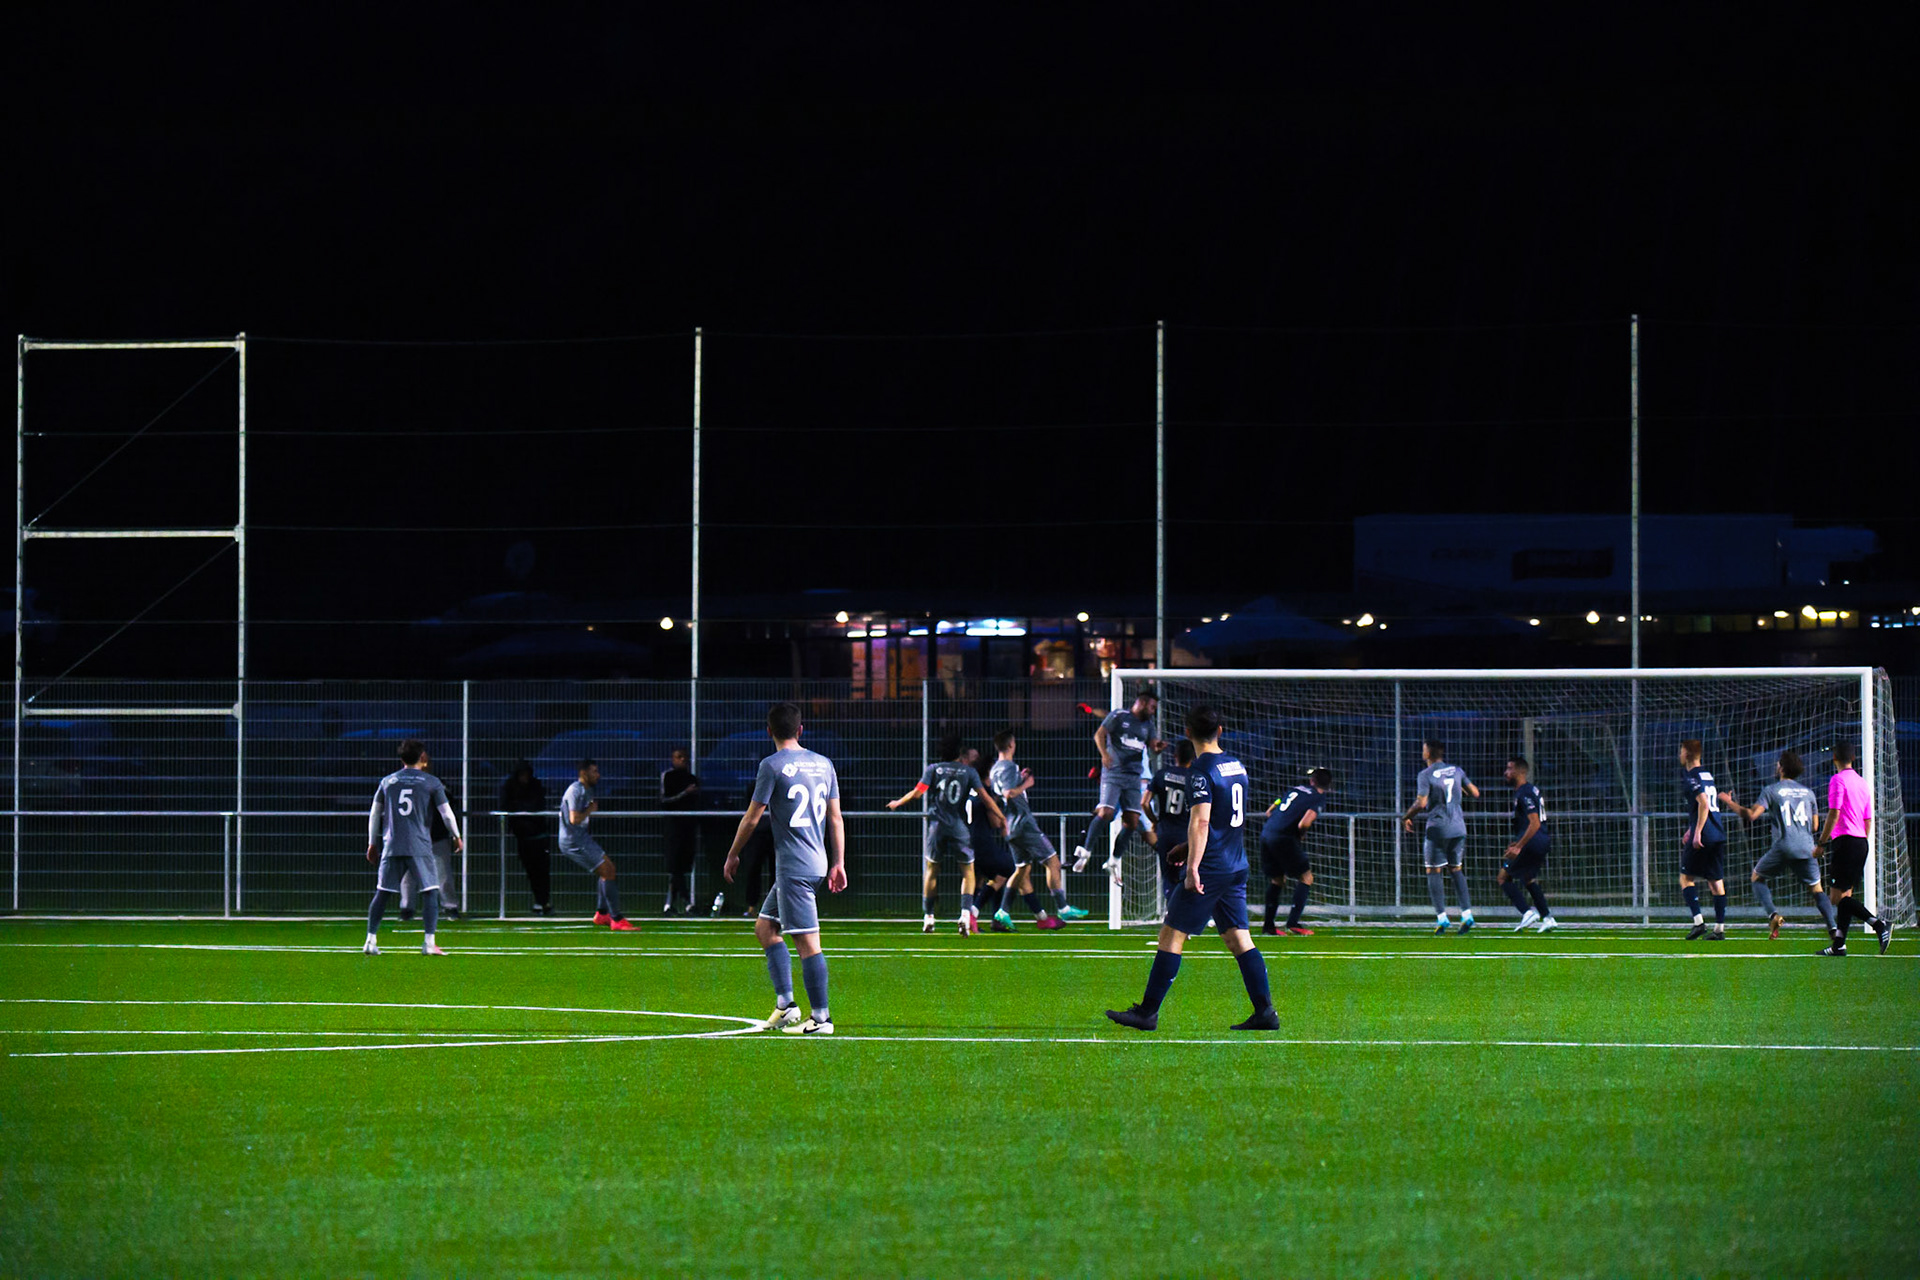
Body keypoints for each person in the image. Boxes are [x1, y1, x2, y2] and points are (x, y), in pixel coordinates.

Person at [1105, 705, 1277, 1032]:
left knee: (1171, 934)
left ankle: (1147, 1013)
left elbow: (1201, 821)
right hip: (1235, 863)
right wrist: (1186, 848)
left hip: (1210, 867)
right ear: (1220, 731)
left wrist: (1193, 867)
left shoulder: (1201, 769)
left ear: (1187, 732)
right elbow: (1226, 820)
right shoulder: (1235, 765)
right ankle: (1265, 1012)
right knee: (1239, 938)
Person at [723, 701, 847, 1035]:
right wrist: (839, 862)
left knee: (808, 944)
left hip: (795, 868)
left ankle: (821, 1019)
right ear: (800, 729)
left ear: (769, 732)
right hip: (815, 862)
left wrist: (734, 853)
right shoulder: (823, 764)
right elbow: (835, 817)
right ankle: (786, 1007)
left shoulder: (771, 765)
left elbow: (752, 817)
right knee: (765, 929)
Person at [1722, 750, 1842, 949]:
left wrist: (1728, 801)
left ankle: (1773, 915)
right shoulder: (1808, 793)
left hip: (1784, 845)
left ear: (1782, 768)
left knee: (1757, 878)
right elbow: (1814, 826)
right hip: (1806, 847)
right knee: (1817, 890)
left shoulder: (1772, 790)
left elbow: (1751, 815)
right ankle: (1832, 929)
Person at [888, 733, 1006, 934]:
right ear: (959, 752)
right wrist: (1001, 817)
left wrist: (898, 802)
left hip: (936, 827)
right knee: (968, 872)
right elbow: (985, 798)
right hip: (958, 827)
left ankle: (928, 917)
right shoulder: (969, 772)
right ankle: (964, 915)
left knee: (932, 870)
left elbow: (918, 792)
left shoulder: (933, 769)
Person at [363, 738, 463, 956]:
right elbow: (446, 813)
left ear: (401, 758)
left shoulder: (387, 782)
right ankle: (429, 943)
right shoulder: (431, 782)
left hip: (392, 844)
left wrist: (372, 843)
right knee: (430, 891)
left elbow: (374, 814)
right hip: (419, 844)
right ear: (423, 757)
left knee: (382, 892)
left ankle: (370, 940)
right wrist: (456, 835)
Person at [987, 729, 1080, 931]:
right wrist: (1027, 783)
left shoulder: (994, 770)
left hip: (1010, 825)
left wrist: (1019, 779)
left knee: (1021, 869)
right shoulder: (1009, 766)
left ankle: (1002, 911)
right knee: (1052, 861)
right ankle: (1063, 907)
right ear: (1011, 745)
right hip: (1024, 823)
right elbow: (1009, 793)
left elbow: (1003, 792)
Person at [1071, 691, 1165, 883]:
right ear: (1143, 702)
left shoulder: (1148, 726)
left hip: (1135, 781)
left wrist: (1157, 748)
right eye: (1152, 707)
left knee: (1131, 822)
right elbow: (1101, 727)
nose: (1154, 711)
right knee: (1105, 812)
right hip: (1114, 774)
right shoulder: (1119, 716)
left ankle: (1113, 860)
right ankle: (1084, 851)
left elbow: (1153, 745)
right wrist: (1104, 754)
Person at [1814, 742, 1892, 955]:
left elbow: (1834, 812)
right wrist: (1860, 842)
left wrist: (1821, 843)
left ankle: (1877, 924)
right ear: (1854, 758)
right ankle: (1839, 945)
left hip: (1846, 842)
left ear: (1834, 759)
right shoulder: (1862, 783)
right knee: (1844, 897)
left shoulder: (1838, 780)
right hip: (1860, 841)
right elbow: (1868, 819)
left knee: (1837, 899)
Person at [1403, 740, 1481, 934]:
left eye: (1423, 749)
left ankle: (1442, 917)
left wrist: (1406, 816)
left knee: (1433, 871)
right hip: (1458, 827)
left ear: (1428, 753)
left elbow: (1421, 803)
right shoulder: (1457, 770)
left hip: (1438, 828)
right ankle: (1467, 914)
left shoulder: (1425, 775)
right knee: (1456, 869)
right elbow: (1475, 793)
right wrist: (1458, 790)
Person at [560, 757, 635, 931]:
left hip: (581, 838)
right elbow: (574, 818)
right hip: (573, 841)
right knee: (608, 870)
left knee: (608, 869)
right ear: (583, 773)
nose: (598, 775)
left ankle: (602, 914)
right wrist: (590, 810)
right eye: (594, 771)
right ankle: (616, 918)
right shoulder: (575, 790)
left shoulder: (586, 790)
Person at [1260, 768, 1333, 936]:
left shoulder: (1295, 789)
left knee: (1277, 880)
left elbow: (1270, 810)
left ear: (1312, 780)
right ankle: (1293, 924)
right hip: (1283, 838)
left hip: (1267, 833)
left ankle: (1269, 926)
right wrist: (1300, 835)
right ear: (1328, 785)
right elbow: (1304, 823)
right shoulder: (1318, 798)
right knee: (1306, 877)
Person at [1676, 739, 1730, 941]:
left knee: (1685, 878)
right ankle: (1719, 929)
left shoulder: (1690, 776)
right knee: (1716, 881)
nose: (1679, 755)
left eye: (1681, 751)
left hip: (1704, 834)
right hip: (1717, 831)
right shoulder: (1707, 774)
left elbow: (1703, 804)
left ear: (1688, 754)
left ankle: (1698, 923)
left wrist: (1697, 832)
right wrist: (1692, 829)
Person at [399, 749, 460, 922]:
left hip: (435, 835)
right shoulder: (403, 782)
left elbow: (449, 805)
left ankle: (450, 906)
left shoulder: (436, 783)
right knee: (408, 875)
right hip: (412, 837)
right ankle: (407, 907)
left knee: (443, 874)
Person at [1498, 755, 1557, 932]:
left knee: (1503, 877)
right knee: (1528, 878)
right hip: (1540, 839)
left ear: (1519, 771)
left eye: (1509, 769)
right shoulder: (1528, 790)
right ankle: (1547, 918)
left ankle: (1527, 912)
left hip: (1533, 840)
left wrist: (1519, 846)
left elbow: (1534, 822)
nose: (1506, 772)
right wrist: (1517, 842)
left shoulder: (1524, 792)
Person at [1145, 741, 1196, 920]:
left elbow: (1144, 803)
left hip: (1165, 832)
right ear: (1193, 758)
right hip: (1186, 834)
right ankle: (1188, 914)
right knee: (1187, 874)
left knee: (1168, 877)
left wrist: (1154, 821)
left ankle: (1173, 915)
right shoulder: (1194, 777)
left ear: (1175, 756)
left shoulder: (1161, 775)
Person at [499, 760, 552, 915]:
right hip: (523, 836)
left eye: (527, 774)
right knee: (531, 871)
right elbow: (505, 806)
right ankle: (540, 901)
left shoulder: (535, 786)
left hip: (539, 835)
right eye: (522, 774)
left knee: (542, 871)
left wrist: (520, 808)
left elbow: (537, 805)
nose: (525, 777)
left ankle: (544, 901)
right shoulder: (510, 786)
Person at [660, 748, 702, 916]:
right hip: (673, 828)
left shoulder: (692, 779)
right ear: (672, 759)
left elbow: (696, 802)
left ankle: (669, 906)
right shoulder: (668, 777)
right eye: (678, 757)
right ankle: (686, 902)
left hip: (688, 828)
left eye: (684, 757)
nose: (682, 759)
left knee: (682, 867)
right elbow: (664, 801)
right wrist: (684, 793)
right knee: (675, 867)